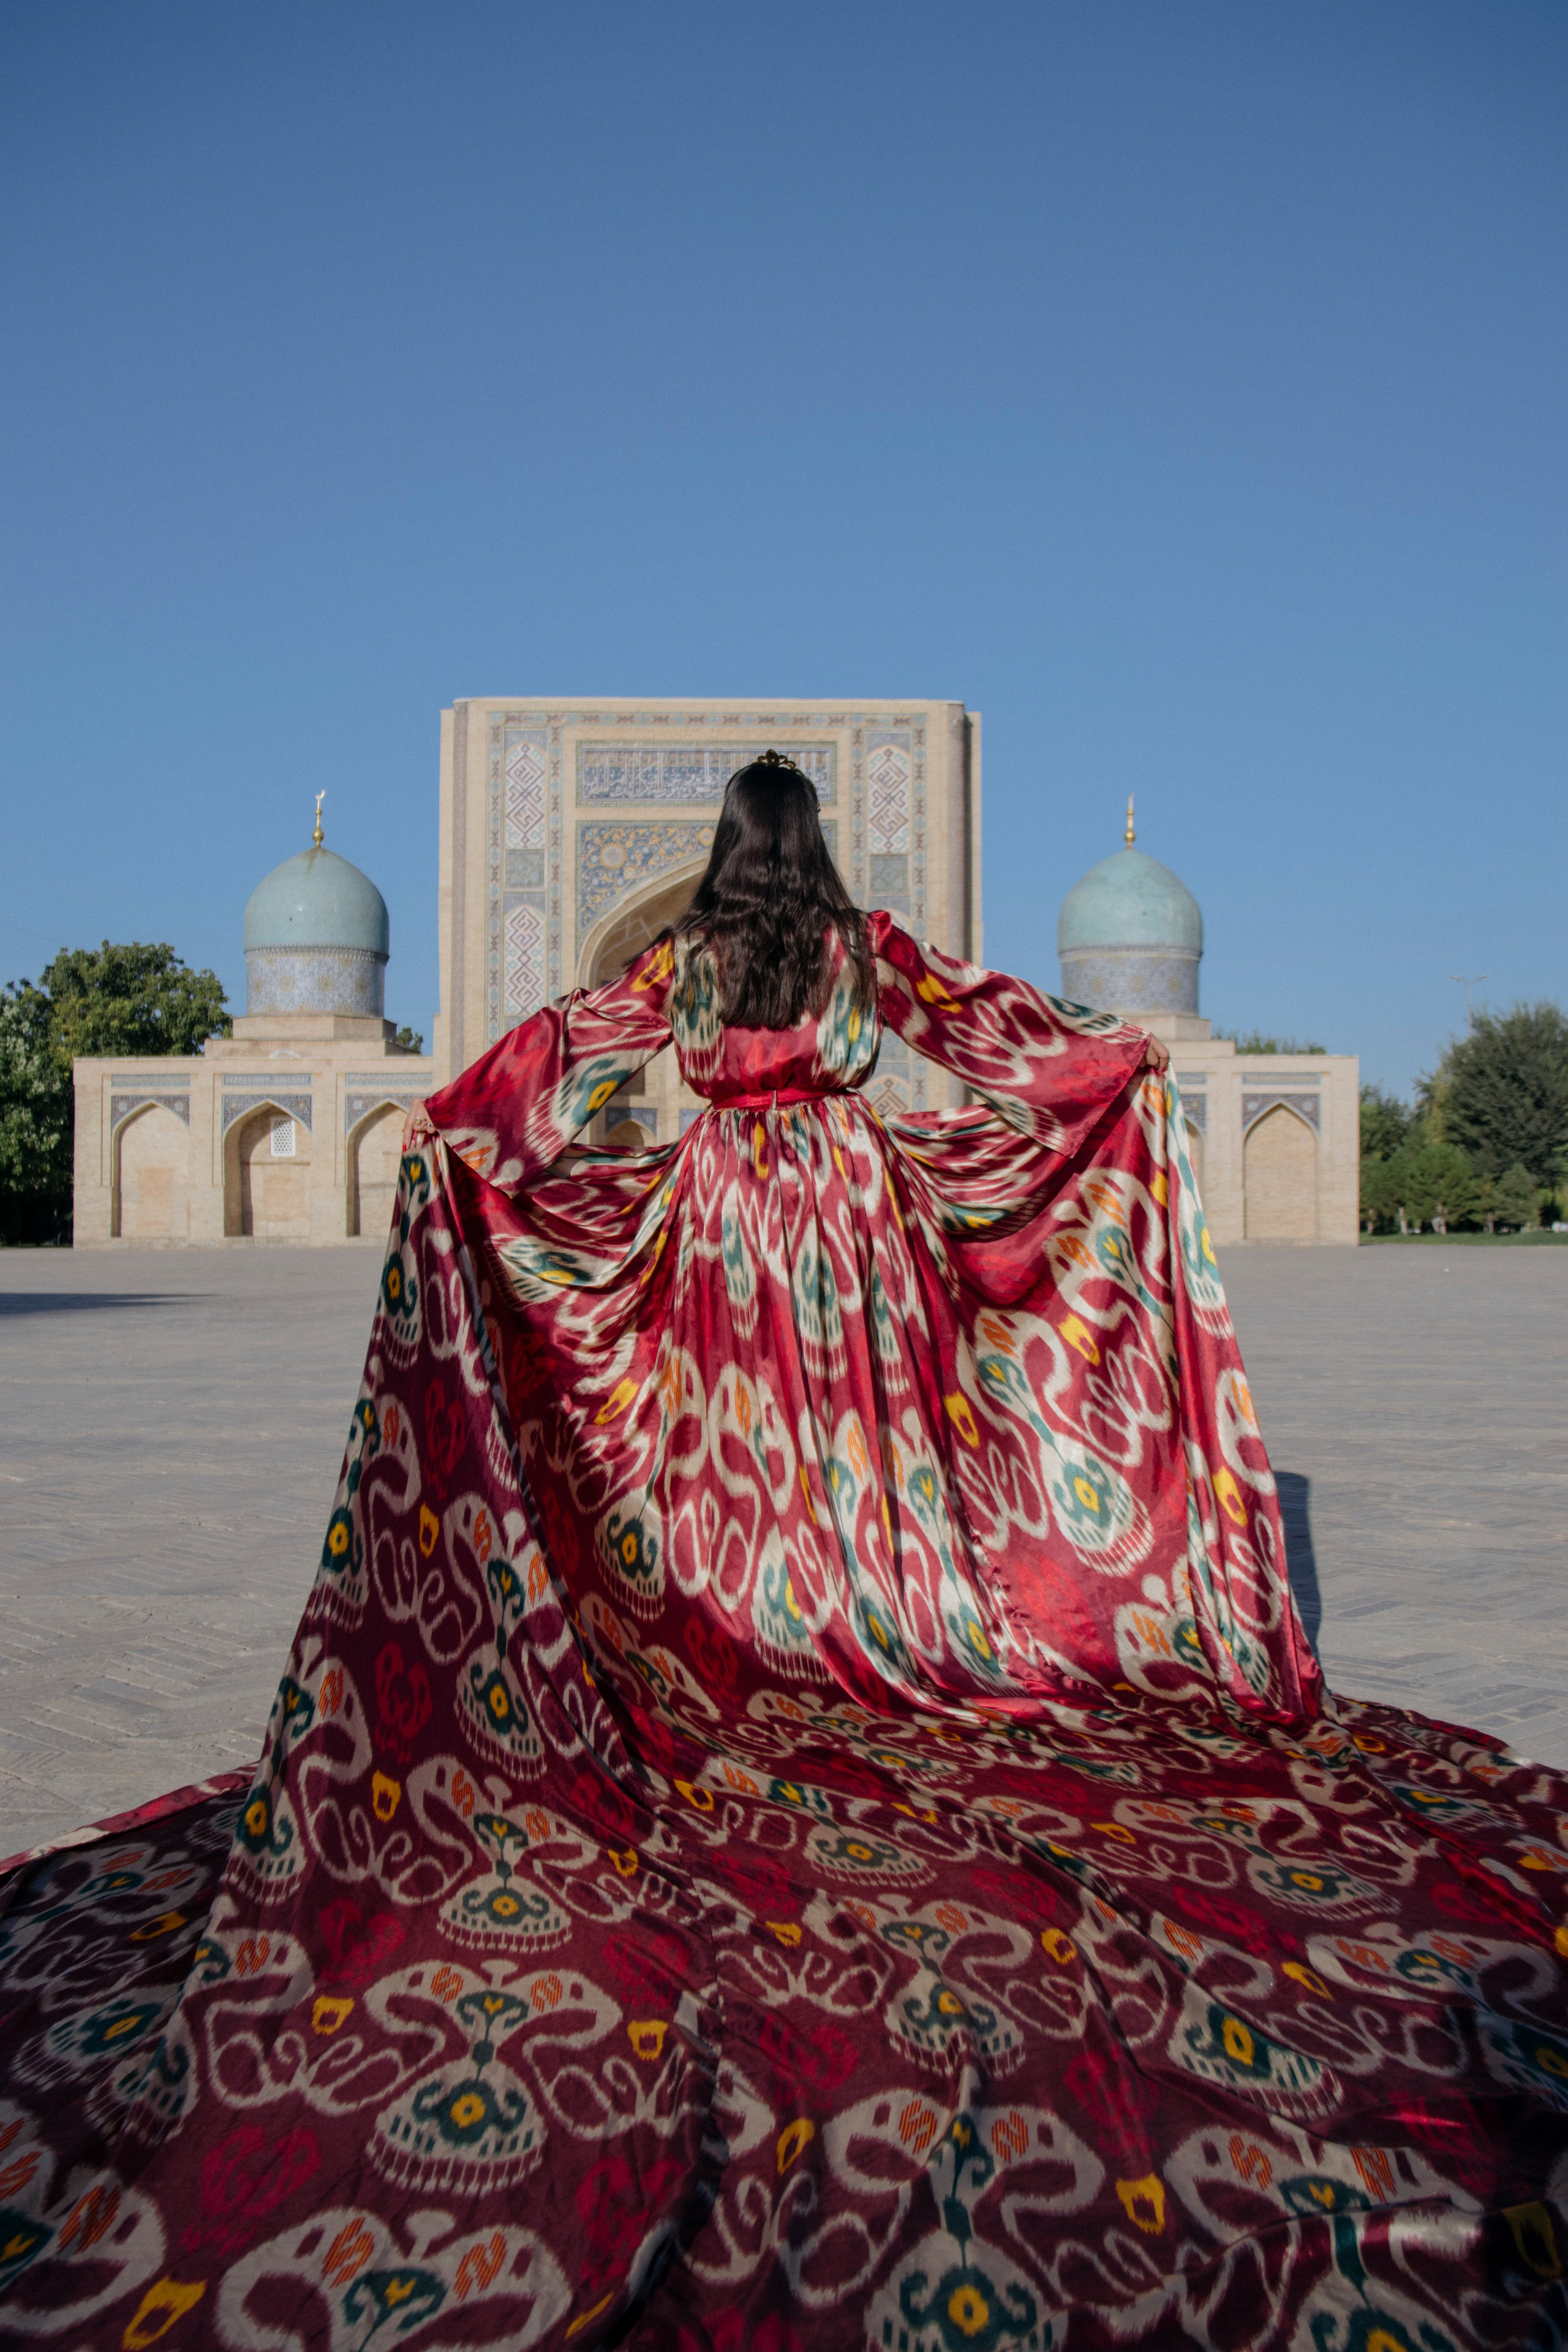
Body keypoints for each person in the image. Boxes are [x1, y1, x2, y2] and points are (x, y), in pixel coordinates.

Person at [3, 755, 1566, 2350]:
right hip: (844, 1210)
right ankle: (865, 1612)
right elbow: (996, 1030)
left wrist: (457, 1118)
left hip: (723, 1214)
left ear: (720, 850)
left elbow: (562, 1043)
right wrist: (1116, 1065)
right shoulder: (861, 950)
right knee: (853, 1452)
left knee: (728, 1448)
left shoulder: (686, 959)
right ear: (816, 844)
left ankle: (754, 1622)